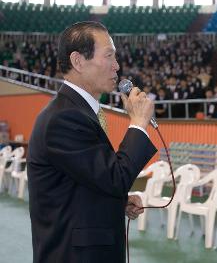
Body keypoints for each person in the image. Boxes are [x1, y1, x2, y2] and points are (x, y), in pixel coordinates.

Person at [27, 21, 157, 263]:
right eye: (109, 56)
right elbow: (115, 178)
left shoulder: (77, 111)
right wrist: (138, 123)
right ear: (78, 61)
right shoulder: (63, 118)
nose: (117, 66)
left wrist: (119, 202)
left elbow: (87, 178)